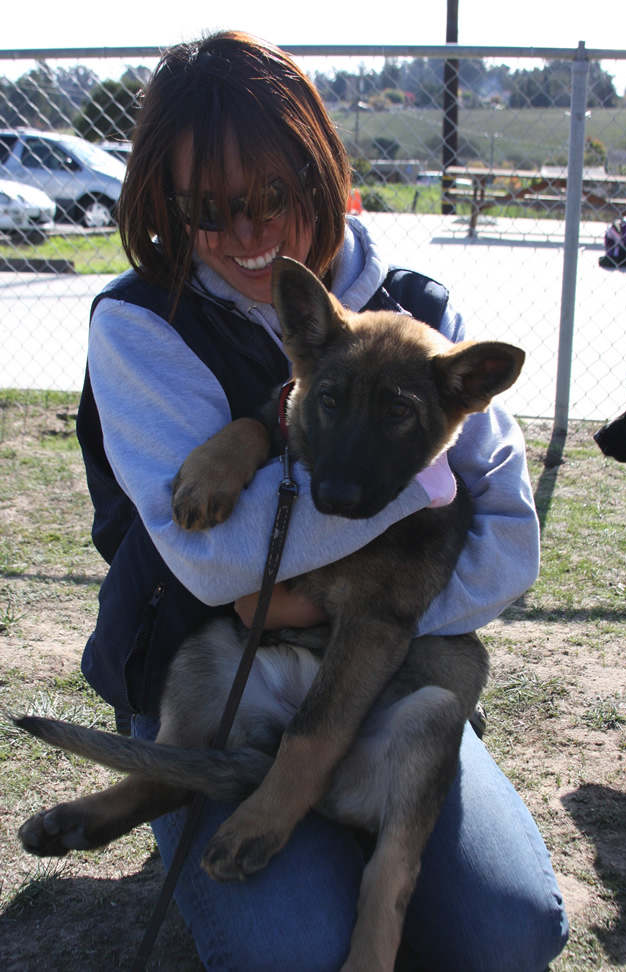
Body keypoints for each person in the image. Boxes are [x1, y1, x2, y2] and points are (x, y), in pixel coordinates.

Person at [76, 30, 568, 972]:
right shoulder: (141, 325)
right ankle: (174, 788)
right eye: (211, 209)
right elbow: (216, 565)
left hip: (388, 679)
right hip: (222, 672)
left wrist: (343, 606)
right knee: (292, 951)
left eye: (274, 194)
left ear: (320, 172)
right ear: (166, 207)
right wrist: (401, 480)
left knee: (509, 935)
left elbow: (506, 545)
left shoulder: (424, 313)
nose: (254, 232)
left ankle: (352, 820)